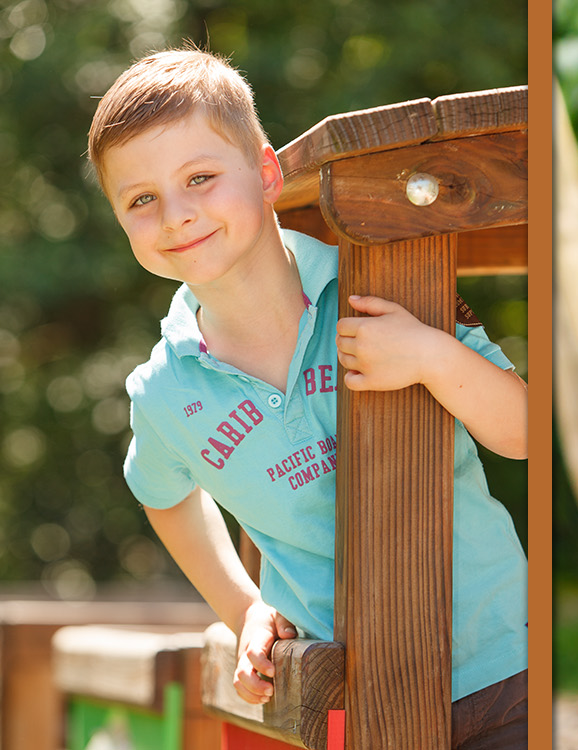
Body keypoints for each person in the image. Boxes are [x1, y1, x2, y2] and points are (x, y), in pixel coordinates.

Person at [97, 49, 529, 747]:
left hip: (504, 662)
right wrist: (241, 607)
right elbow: (162, 495)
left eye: (200, 178)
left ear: (267, 174)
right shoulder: (164, 390)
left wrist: (430, 354)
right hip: (347, 702)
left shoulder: (384, 283)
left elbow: (525, 433)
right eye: (141, 199)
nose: (176, 215)